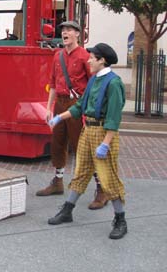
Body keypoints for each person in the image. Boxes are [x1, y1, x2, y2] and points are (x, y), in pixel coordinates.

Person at [47, 43, 127, 240]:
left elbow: (114, 118)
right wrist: (59, 117)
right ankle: (67, 210)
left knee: (108, 178)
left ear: (102, 60)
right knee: (81, 172)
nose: (88, 60)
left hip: (102, 133)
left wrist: (106, 143)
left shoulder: (113, 83)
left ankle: (120, 219)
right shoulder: (93, 81)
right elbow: (80, 106)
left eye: (92, 57)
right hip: (88, 131)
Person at [37, 21, 108, 210]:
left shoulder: (85, 56)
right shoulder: (57, 55)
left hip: (77, 105)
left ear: (78, 34)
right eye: (63, 30)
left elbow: (93, 83)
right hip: (60, 104)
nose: (65, 33)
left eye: (69, 30)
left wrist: (88, 107)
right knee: (58, 143)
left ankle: (102, 188)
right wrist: (48, 107)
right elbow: (52, 83)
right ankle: (58, 182)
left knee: (83, 147)